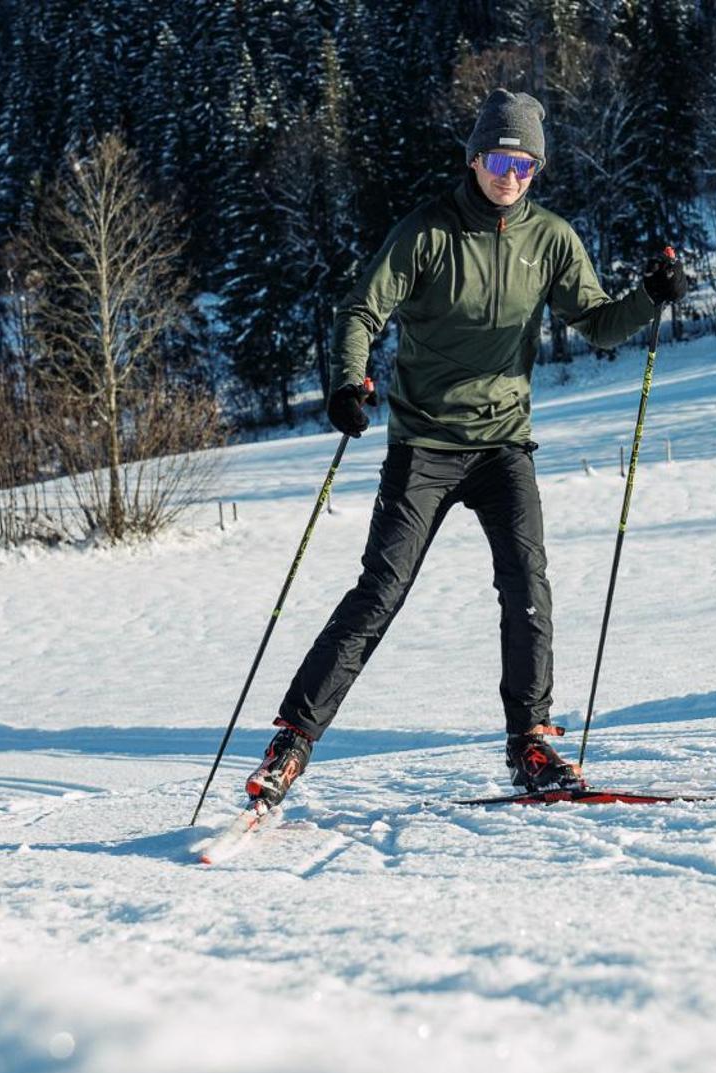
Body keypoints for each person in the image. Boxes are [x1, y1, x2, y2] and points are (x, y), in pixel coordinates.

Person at [246, 88, 688, 806]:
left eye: (524, 164)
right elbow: (361, 308)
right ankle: (290, 743)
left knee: (527, 587)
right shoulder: (425, 233)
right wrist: (345, 384)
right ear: (473, 158)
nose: (510, 176)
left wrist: (649, 295)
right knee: (379, 594)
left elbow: (600, 325)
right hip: (421, 444)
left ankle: (532, 745)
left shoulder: (550, 240)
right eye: (497, 159)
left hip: (502, 447)